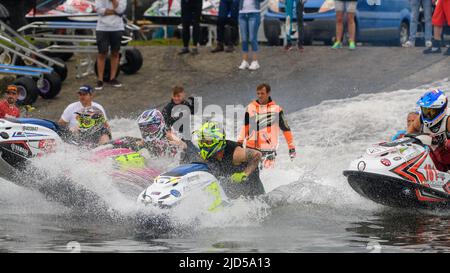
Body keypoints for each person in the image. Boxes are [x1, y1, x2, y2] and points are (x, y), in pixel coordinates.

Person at [196, 121, 264, 199]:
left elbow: (257, 155)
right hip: (235, 194)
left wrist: (244, 174)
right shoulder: (208, 155)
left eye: (207, 142)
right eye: (202, 141)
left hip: (255, 195)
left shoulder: (236, 153)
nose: (203, 145)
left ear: (218, 140)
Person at [238, 83, 296, 168]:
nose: (260, 96)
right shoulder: (250, 108)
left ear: (268, 93)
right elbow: (245, 127)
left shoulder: (277, 110)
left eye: (262, 93)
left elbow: (286, 129)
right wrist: (239, 142)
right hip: (251, 148)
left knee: (267, 176)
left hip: (268, 150)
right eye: (258, 93)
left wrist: (291, 147)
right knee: (248, 174)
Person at [110, 109, 187, 158]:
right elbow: (138, 143)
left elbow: (184, 145)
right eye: (143, 129)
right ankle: (108, 145)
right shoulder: (147, 140)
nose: (147, 132)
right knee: (127, 140)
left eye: (151, 128)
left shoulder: (169, 135)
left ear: (160, 124)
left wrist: (176, 144)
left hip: (170, 162)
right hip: (155, 155)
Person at [408, 89, 450, 171]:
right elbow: (410, 133)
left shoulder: (448, 119)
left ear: (440, 109)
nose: (427, 114)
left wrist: (442, 142)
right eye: (425, 110)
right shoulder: (420, 119)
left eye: (431, 111)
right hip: (436, 160)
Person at [95, 0, 127, 90]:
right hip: (102, 28)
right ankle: (100, 80)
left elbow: (121, 10)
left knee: (115, 53)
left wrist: (113, 2)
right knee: (102, 53)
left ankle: (113, 78)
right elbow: (99, 10)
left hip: (117, 27)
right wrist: (114, 11)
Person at [238, 0, 264, 70]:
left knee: (253, 38)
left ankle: (255, 61)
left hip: (254, 13)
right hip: (242, 13)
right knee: (244, 39)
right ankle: (245, 61)